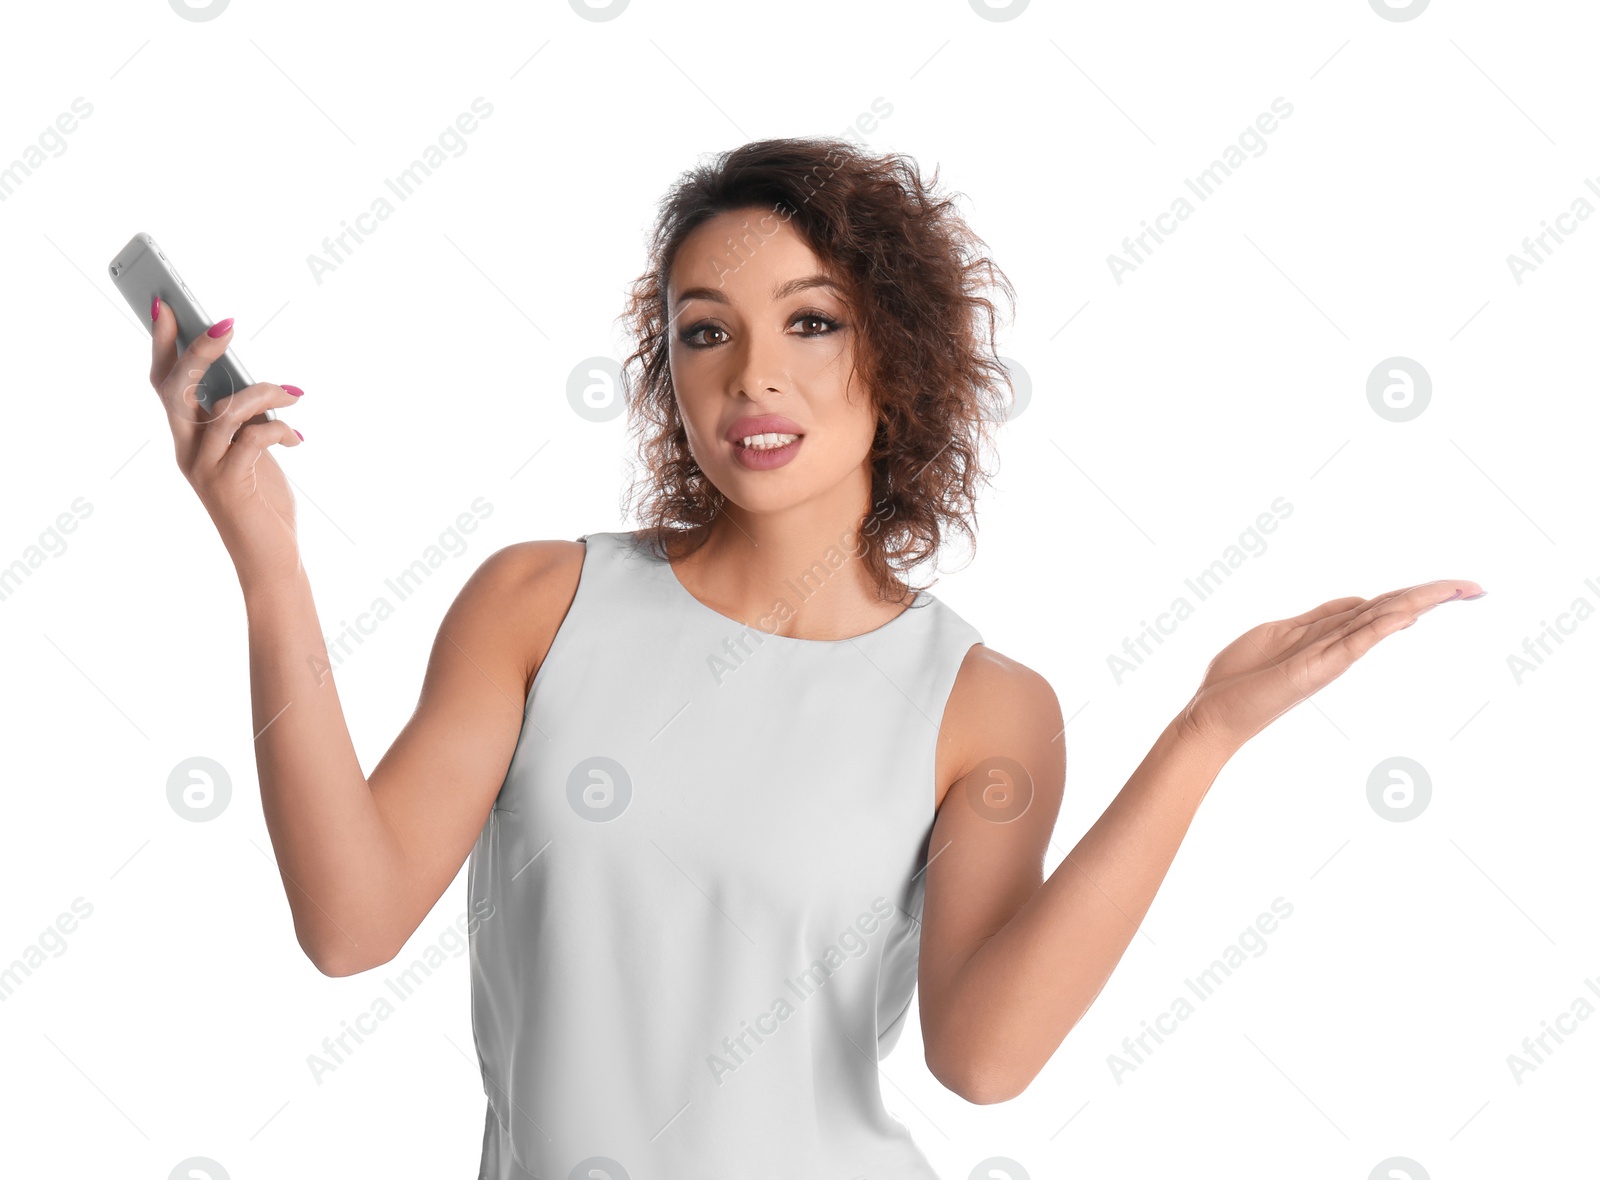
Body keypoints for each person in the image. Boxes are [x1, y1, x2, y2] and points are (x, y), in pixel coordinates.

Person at [145, 136, 1483, 1179]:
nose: (751, 377)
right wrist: (270, 563)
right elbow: (350, 921)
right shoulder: (539, 603)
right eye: (705, 329)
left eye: (811, 321)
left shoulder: (984, 708)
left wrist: (1206, 732)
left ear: (896, 358)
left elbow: (984, 1059)